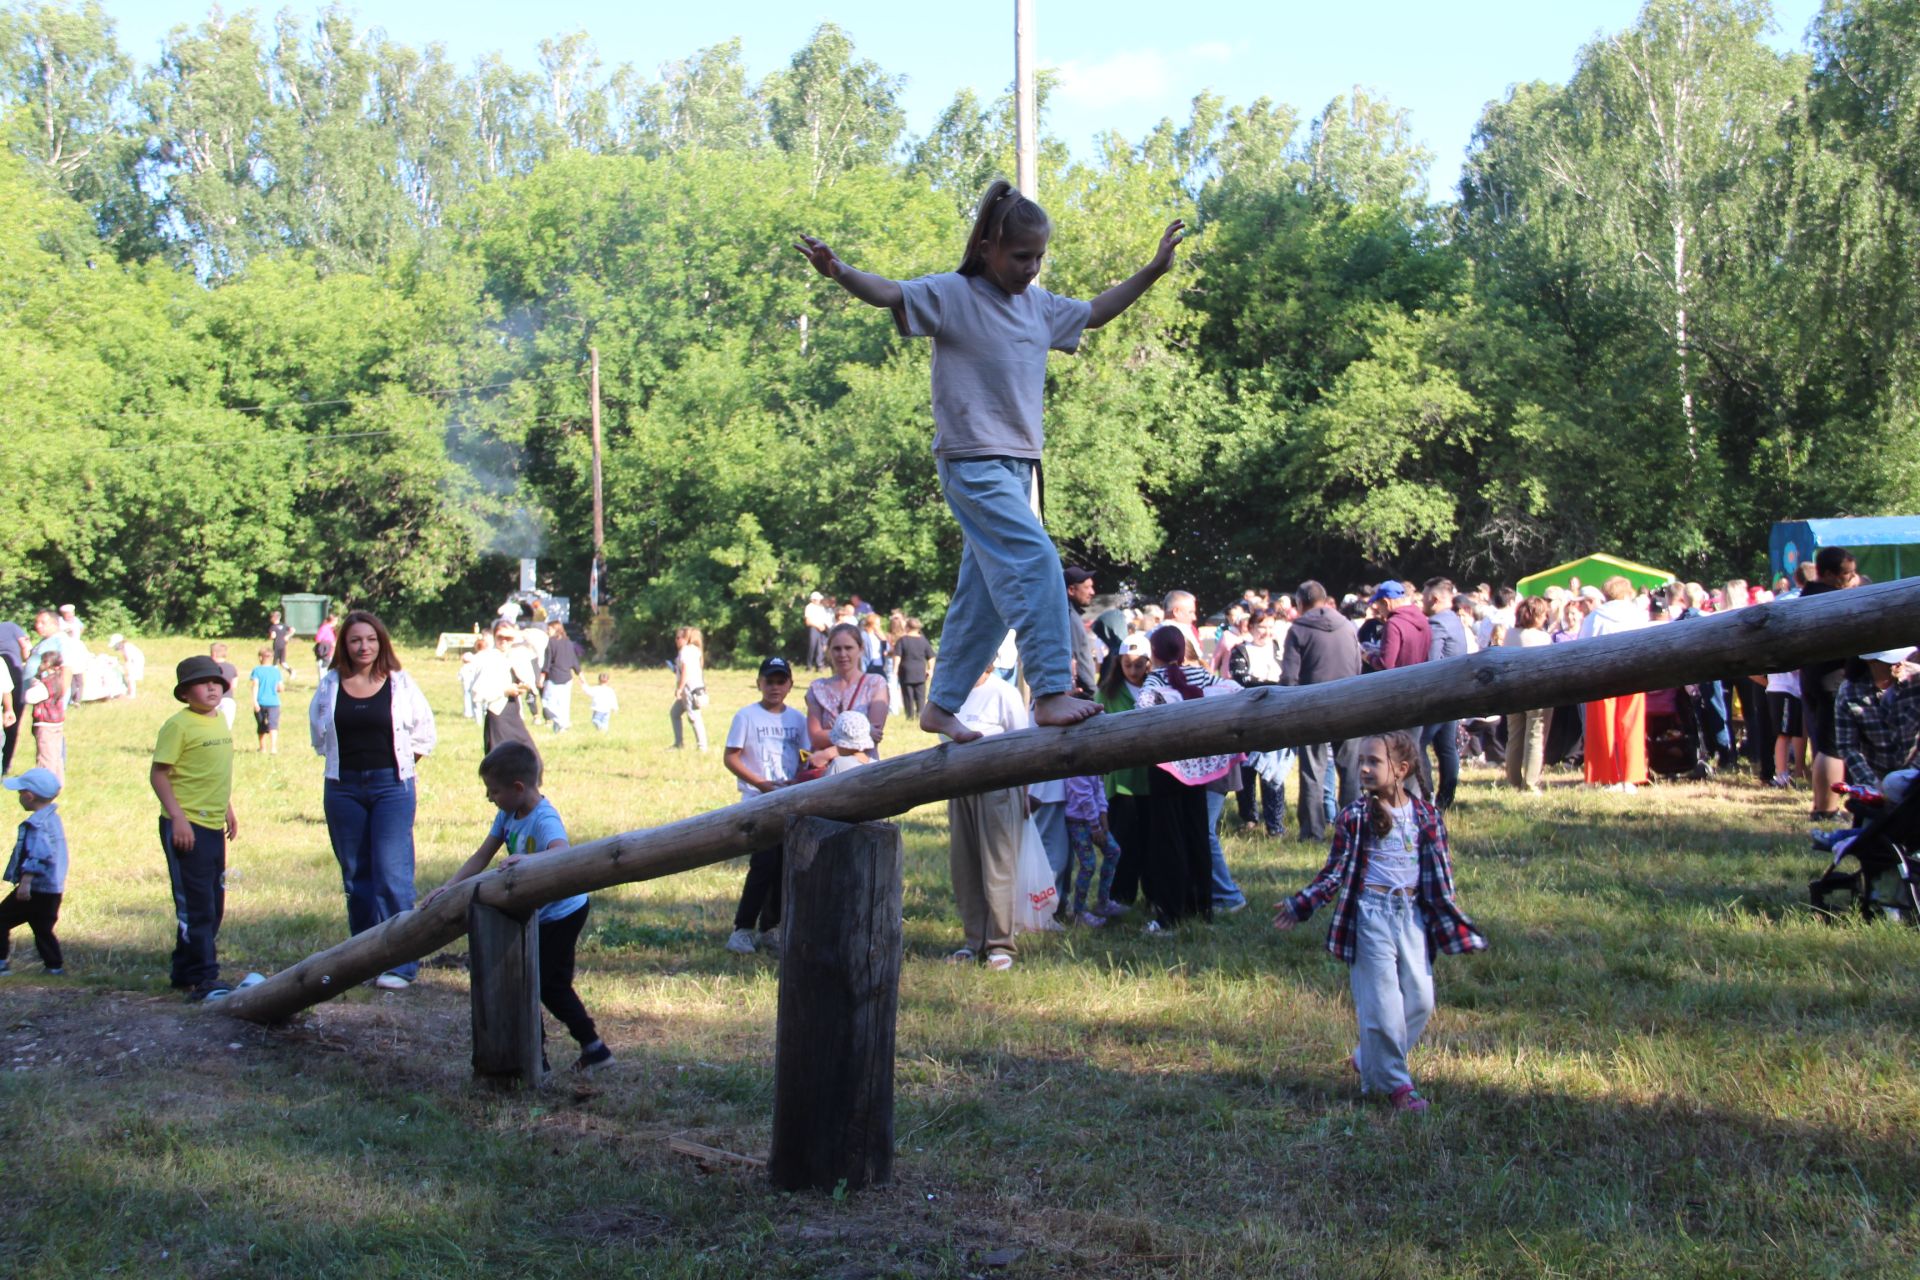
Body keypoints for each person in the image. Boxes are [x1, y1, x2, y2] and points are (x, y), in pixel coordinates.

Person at [797, 181, 1183, 741]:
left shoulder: (1040, 307)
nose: (1031, 267)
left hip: (1018, 469)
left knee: (983, 599)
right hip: (972, 464)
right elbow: (890, 293)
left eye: (1039, 257)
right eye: (1021, 256)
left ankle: (941, 703)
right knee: (1035, 562)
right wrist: (842, 272)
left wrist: (1152, 271)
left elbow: (1097, 311)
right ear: (986, 248)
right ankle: (1051, 690)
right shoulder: (953, 295)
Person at [1273, 730, 1487, 1113]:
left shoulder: (1426, 815)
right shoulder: (1354, 816)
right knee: (1383, 1007)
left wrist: (1450, 917)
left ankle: (1368, 1058)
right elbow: (1335, 873)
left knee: (1420, 1000)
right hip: (1370, 917)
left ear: (1402, 769)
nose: (1365, 769)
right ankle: (1396, 1087)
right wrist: (1301, 904)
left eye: (1374, 762)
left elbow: (1441, 873)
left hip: (1411, 917)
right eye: (1362, 762)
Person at [423, 741, 612, 1072]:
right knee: (551, 986)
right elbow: (482, 855)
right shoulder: (507, 814)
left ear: (518, 787)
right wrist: (448, 887)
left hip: (564, 912)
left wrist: (527, 859)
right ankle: (593, 1049)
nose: (489, 797)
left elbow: (561, 852)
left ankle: (537, 1058)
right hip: (543, 913)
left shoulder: (544, 818)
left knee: (530, 982)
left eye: (493, 791)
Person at [308, 611, 438, 992]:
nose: (363, 647)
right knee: (356, 876)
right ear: (343, 646)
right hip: (343, 788)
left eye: (370, 639)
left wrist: (395, 769)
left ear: (381, 643)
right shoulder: (329, 685)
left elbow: (423, 734)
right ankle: (362, 961)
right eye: (355, 640)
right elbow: (320, 738)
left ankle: (402, 964)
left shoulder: (400, 684)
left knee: (392, 874)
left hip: (391, 788)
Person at [1135, 625, 1242, 935]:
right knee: (1196, 834)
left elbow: (1140, 711)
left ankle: (1170, 911)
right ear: (1183, 651)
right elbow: (1231, 689)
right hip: (1197, 769)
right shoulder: (1200, 676)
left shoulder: (1155, 680)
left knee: (1168, 838)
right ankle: (1201, 905)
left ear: (1153, 653)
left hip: (1166, 768)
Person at [151, 655, 239, 1002]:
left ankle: (184, 971)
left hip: (213, 823)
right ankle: (205, 978)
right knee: (196, 905)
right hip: (186, 826)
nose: (212, 688)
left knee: (214, 903)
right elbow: (159, 774)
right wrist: (178, 819)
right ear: (186, 693)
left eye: (216, 682)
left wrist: (228, 808)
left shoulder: (219, 722)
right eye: (204, 683)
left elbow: (213, 772)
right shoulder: (178, 726)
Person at [943, 665, 1030, 969]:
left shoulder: (1004, 693)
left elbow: (1025, 745)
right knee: (964, 865)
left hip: (998, 789)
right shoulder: (950, 692)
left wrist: (1026, 792)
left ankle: (1000, 944)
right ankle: (973, 940)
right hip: (959, 788)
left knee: (998, 866)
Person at [722, 658, 810, 956]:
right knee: (763, 864)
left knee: (784, 865)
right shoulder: (746, 716)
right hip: (758, 802)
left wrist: (799, 778)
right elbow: (731, 757)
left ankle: (772, 927)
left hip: (788, 798)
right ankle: (742, 928)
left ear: (790, 685)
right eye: (769, 681)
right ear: (759, 682)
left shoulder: (797, 719)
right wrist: (761, 784)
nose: (774, 687)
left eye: (780, 681)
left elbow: (804, 754)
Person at [1283, 581, 1365, 841]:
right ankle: (1353, 827)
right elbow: (1357, 666)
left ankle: (1312, 831)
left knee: (1313, 770)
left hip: (1312, 705)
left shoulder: (1298, 630)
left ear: (1300, 603)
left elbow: (1289, 678)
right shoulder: (1347, 626)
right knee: (1350, 769)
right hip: (1350, 701)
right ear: (1326, 598)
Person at [1096, 633, 1154, 912]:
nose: (1133, 671)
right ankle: (1120, 895)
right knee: (1123, 841)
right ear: (1118, 664)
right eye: (1127, 665)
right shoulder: (1106, 693)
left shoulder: (1155, 687)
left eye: (1138, 665)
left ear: (1149, 663)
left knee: (1150, 839)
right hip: (1121, 781)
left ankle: (1152, 891)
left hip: (1149, 777)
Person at [1577, 576, 1651, 791]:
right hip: (1632, 674)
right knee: (1632, 726)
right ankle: (1629, 778)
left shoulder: (1594, 618)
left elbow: (1582, 647)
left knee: (1600, 727)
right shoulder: (1637, 615)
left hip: (1601, 676)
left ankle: (1601, 776)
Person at [1801, 547, 1858, 820]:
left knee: (1824, 745)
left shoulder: (1808, 595)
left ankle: (1820, 804)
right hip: (1831, 680)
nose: (1850, 578)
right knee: (1831, 748)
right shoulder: (1832, 600)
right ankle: (1827, 808)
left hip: (1814, 677)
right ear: (1829, 574)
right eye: (1846, 574)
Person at [1, 767, 68, 976]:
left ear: (29, 796)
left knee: (1, 919)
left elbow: (37, 854)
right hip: (53, 887)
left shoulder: (36, 824)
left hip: (35, 888)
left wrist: (26, 882)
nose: (19, 796)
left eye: (20, 792)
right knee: (42, 927)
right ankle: (54, 966)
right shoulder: (53, 819)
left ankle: (1, 964)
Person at [1229, 611, 1288, 836]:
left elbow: (1289, 677)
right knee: (1247, 769)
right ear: (1251, 627)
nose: (1266, 632)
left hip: (1275, 717)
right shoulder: (1241, 651)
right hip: (1247, 717)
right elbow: (1242, 680)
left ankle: (1275, 823)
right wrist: (1271, 684)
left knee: (1273, 771)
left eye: (1270, 627)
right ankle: (1249, 817)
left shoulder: (1278, 649)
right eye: (1262, 627)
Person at [804, 623, 890, 772]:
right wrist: (860, 733)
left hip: (862, 770)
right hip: (825, 772)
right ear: (829, 651)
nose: (842, 654)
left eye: (848, 648)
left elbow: (872, 738)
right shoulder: (817, 688)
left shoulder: (876, 684)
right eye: (837, 649)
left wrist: (828, 752)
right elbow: (815, 737)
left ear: (860, 649)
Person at [1834, 648, 1920, 787]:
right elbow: (1847, 746)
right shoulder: (1849, 693)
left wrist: (1913, 779)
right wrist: (1872, 783)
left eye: (1902, 657)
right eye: (1891, 661)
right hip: (1875, 777)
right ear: (1870, 662)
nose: (1900, 663)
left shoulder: (1917, 679)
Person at [1419, 578, 1469, 809]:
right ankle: (1446, 798)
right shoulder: (1454, 620)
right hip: (1455, 692)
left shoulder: (1437, 623)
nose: (1422, 601)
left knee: (1417, 744)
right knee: (1446, 747)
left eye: (1424, 597)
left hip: (1438, 694)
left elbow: (1431, 661)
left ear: (1435, 599)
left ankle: (1425, 794)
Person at [1503, 597, 1555, 792]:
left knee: (1514, 735)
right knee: (1535, 735)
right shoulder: (1542, 638)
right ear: (1537, 615)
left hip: (1511, 690)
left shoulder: (1509, 634)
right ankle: (1531, 782)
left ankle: (1513, 779)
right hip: (1537, 690)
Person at [471, 619, 541, 756]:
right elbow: (477, 693)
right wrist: (504, 691)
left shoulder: (516, 654)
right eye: (500, 637)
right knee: (501, 762)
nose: (504, 641)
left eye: (508, 638)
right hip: (498, 716)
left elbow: (540, 639)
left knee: (531, 759)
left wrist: (516, 632)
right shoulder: (489, 658)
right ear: (494, 637)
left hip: (514, 713)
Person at [1063, 768, 1123, 927]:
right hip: (1078, 822)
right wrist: (1095, 826)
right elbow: (1085, 797)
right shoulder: (1076, 768)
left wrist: (1103, 813)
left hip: (1094, 817)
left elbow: (1099, 787)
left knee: (1113, 851)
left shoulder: (1092, 765)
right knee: (1088, 865)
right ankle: (1079, 912)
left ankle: (1103, 902)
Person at [23, 651, 67, 784]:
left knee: (45, 756)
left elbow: (29, 697)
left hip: (45, 723)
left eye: (44, 662)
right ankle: (58, 781)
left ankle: (45, 785)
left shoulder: (46, 683)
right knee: (56, 755)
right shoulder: (59, 680)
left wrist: (34, 682)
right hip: (57, 722)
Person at [541, 619, 582, 733]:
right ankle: (560, 729)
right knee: (563, 705)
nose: (547, 631)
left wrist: (542, 675)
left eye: (548, 629)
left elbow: (547, 661)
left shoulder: (550, 642)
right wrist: (580, 674)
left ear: (555, 629)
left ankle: (561, 722)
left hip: (554, 678)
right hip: (567, 678)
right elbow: (574, 660)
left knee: (547, 704)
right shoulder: (569, 643)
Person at [1065, 567, 1100, 696]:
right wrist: (1093, 692)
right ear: (1071, 590)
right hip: (1082, 694)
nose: (1092, 592)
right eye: (1087, 587)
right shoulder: (1069, 618)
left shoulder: (1073, 615)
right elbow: (1077, 659)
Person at [894, 618, 934, 721]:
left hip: (906, 671)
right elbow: (931, 657)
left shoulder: (902, 640)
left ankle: (910, 716)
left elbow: (897, 656)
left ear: (907, 627)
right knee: (921, 695)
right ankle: (921, 714)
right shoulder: (923, 640)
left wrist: (895, 669)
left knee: (908, 695)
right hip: (920, 671)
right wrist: (931, 669)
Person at [248, 646, 285, 754]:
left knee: (261, 725)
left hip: (260, 702)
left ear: (260, 657)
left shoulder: (257, 670)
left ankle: (262, 748)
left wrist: (254, 701)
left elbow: (255, 685)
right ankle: (273, 747)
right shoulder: (276, 671)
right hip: (274, 702)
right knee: (273, 724)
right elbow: (281, 688)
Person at [0, 615, 25, 772]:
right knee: (10, 730)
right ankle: (5, 766)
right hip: (15, 680)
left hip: (13, 682)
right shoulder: (11, 626)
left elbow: (6, 688)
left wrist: (8, 710)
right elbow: (25, 646)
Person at [803, 592, 832, 671]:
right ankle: (809, 665)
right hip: (814, 628)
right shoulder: (809, 607)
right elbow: (808, 621)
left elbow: (824, 619)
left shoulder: (821, 608)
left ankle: (819, 665)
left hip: (822, 629)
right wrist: (817, 625)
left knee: (820, 647)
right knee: (812, 646)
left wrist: (824, 626)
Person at [111, 633, 143, 700]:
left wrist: (127, 668)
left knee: (131, 677)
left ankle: (132, 695)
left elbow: (128, 659)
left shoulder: (126, 647)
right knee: (129, 677)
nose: (115, 647)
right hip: (134, 660)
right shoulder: (123, 647)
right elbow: (126, 658)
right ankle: (128, 692)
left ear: (119, 643)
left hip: (136, 661)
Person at [268, 610, 295, 682]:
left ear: (274, 618)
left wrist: (270, 636)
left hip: (276, 645)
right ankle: (291, 671)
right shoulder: (283, 625)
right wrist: (288, 636)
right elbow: (293, 629)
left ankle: (275, 677)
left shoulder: (273, 627)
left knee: (275, 662)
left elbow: (273, 636)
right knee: (282, 662)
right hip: (283, 645)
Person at [313, 614, 338, 683]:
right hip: (324, 652)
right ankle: (322, 684)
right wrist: (329, 643)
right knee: (323, 669)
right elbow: (318, 639)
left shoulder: (330, 629)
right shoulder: (324, 628)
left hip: (329, 652)